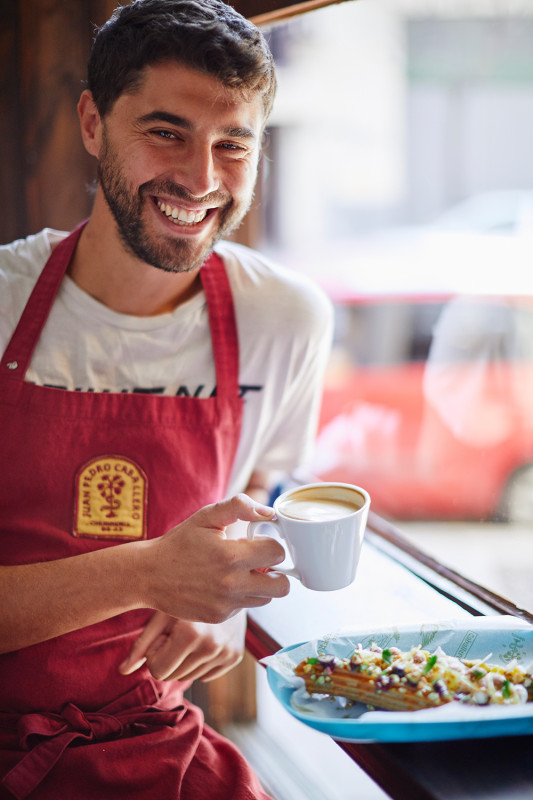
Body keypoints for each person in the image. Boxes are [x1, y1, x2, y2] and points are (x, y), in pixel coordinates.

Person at [0, 1, 333, 798]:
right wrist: (152, 572)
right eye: (165, 132)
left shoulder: (284, 319)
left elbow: (262, 495)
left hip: (156, 746)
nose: (199, 178)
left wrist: (224, 604)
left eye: (232, 145)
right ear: (92, 122)